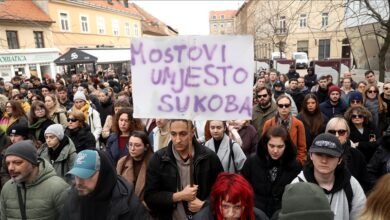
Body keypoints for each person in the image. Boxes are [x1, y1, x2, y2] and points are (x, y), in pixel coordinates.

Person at [144, 119, 224, 220]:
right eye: (173, 134)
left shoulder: (209, 157)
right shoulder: (159, 159)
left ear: (192, 132)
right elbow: (150, 197)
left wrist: (205, 205)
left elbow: (222, 191)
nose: (177, 140)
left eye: (183, 134)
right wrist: (179, 196)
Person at [291, 133, 366, 220]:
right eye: (319, 154)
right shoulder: (297, 185)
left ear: (339, 160)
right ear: (311, 155)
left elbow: (361, 216)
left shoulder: (351, 185)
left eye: (330, 156)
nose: (324, 160)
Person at [60, 149, 151, 220]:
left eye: (86, 176)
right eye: (77, 175)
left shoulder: (128, 204)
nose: (78, 182)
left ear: (103, 174)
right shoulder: (72, 198)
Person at [241, 125, 301, 218]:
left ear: (286, 146)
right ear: (265, 144)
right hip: (255, 213)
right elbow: (243, 188)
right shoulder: (252, 161)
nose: (275, 151)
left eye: (280, 146)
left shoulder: (295, 166)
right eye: (271, 146)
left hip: (282, 215)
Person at [1, 140, 69, 220]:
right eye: (8, 163)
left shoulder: (58, 187)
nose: (10, 168)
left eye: (17, 162)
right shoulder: (7, 188)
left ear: (33, 163)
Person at [193, 172, 269, 220]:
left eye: (237, 207)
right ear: (216, 203)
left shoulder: (259, 217)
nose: (231, 214)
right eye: (225, 206)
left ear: (246, 204)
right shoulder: (202, 218)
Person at [325, 117, 371, 192]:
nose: (336, 135)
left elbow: (365, 182)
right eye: (332, 132)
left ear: (347, 134)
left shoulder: (356, 155)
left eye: (341, 132)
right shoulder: (319, 154)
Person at [263, 95, 307, 165]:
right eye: (281, 105)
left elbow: (302, 147)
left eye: (286, 105)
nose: (284, 108)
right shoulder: (268, 123)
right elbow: (264, 144)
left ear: (290, 107)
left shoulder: (298, 124)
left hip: (291, 162)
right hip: (273, 160)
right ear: (277, 107)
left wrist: (299, 162)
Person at [117, 131, 154, 205]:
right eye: (130, 145)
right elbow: (117, 188)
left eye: (137, 145)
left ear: (146, 147)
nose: (132, 148)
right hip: (126, 208)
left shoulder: (154, 163)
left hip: (147, 210)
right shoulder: (122, 162)